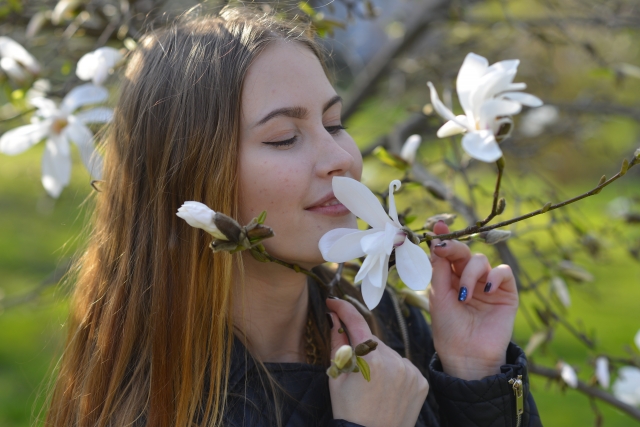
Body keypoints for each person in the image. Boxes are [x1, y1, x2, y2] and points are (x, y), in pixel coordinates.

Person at [46, 6, 543, 427]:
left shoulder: (390, 330)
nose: (341, 158)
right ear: (192, 175)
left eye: (335, 122)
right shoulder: (163, 404)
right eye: (284, 137)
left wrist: (474, 375)